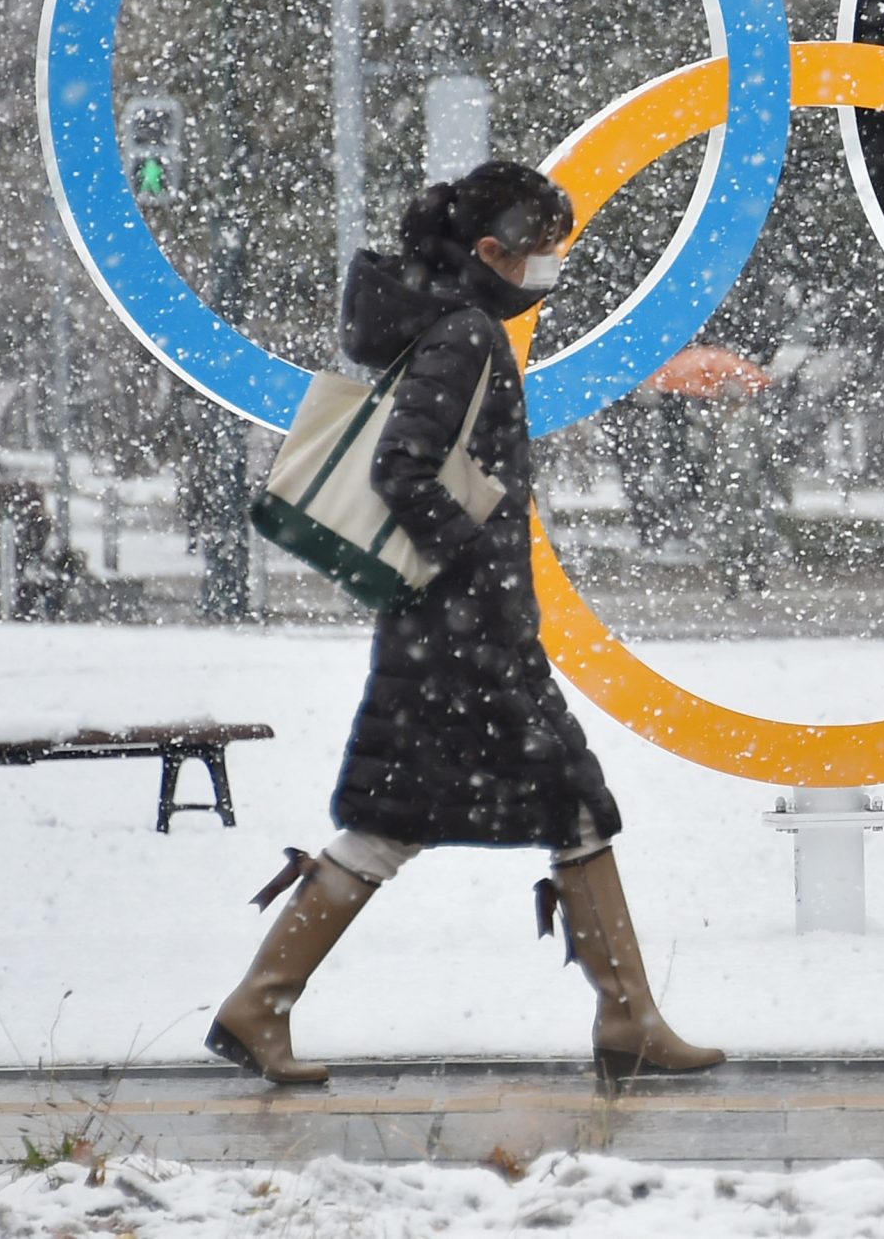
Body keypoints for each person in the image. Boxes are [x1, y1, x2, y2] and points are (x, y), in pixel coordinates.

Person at [208, 162, 721, 1086]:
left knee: (428, 818)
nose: (552, 266)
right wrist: (477, 567)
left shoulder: (448, 322)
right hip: (468, 635)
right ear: (492, 250)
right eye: (544, 250)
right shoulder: (469, 334)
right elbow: (403, 465)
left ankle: (264, 1004)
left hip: (450, 630)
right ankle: (627, 1019)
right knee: (537, 808)